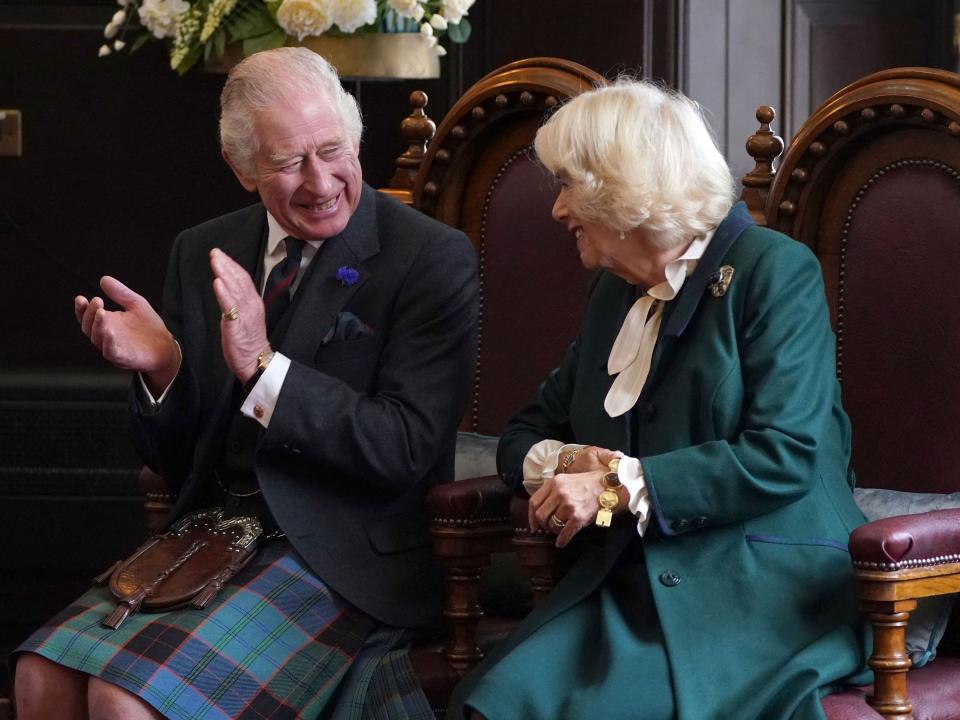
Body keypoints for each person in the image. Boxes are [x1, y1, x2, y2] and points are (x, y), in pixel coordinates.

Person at [14, 47, 478, 720]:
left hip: (341, 554)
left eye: (333, 150)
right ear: (241, 168)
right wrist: (164, 371)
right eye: (290, 162)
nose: (321, 182)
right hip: (211, 532)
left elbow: (404, 445)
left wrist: (265, 367)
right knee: (38, 677)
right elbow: (174, 459)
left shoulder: (428, 258)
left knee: (122, 700)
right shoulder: (203, 248)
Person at [448, 79, 871, 720]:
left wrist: (617, 486)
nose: (558, 210)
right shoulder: (613, 294)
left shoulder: (775, 271)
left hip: (766, 590)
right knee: (489, 706)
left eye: (568, 185)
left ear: (623, 190)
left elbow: (787, 455)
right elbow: (524, 432)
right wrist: (567, 467)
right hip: (632, 582)